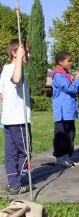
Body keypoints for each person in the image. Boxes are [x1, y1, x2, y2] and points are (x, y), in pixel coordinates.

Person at [0, 39, 32, 195]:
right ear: (15, 52)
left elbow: (1, 95)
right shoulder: (14, 69)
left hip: (8, 119)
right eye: (27, 51)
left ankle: (13, 184)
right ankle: (18, 182)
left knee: (11, 153)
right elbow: (17, 79)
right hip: (19, 120)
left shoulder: (4, 69)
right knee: (25, 152)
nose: (29, 55)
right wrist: (19, 58)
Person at [51, 51, 79, 167]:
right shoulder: (58, 75)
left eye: (71, 60)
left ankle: (67, 157)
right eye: (68, 61)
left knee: (70, 135)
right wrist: (77, 79)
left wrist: (78, 79)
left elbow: (77, 88)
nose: (71, 63)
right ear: (60, 62)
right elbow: (71, 89)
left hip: (70, 110)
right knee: (61, 135)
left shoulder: (67, 74)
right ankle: (59, 158)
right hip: (62, 111)